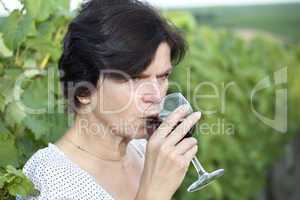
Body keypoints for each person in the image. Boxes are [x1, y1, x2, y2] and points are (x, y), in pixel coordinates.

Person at [17, 0, 201, 199]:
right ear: (83, 90)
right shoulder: (48, 179)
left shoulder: (145, 152)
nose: (157, 96)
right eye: (135, 78)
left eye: (163, 76)